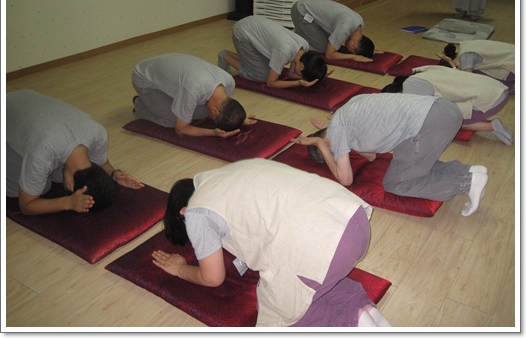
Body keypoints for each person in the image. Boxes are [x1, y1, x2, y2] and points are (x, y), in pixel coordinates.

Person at [152, 158, 391, 327]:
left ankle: (351, 324)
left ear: (183, 212)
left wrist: (180, 269)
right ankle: (365, 312)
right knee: (310, 283)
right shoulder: (231, 172)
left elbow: (213, 278)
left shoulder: (196, 211)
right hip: (355, 220)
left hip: (326, 248)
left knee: (276, 310)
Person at [291, 93, 488, 217]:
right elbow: (371, 156)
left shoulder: (335, 131)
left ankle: (466, 183)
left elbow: (346, 180)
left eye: (333, 154)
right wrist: (334, 142)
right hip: (445, 110)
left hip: (429, 123)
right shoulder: (343, 118)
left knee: (395, 183)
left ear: (327, 144)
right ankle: (467, 171)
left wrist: (320, 144)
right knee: (409, 160)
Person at [6, 89, 144, 215]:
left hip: (23, 96)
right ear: (70, 185)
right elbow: (26, 206)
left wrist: (114, 174)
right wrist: (67, 203)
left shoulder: (98, 133)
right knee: (39, 188)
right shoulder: (43, 152)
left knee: (49, 176)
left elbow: (103, 164)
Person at [381, 65, 513, 145]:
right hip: (498, 89)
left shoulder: (411, 87)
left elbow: (420, 116)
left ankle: (491, 126)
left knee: (450, 120)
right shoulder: (421, 73)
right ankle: (487, 122)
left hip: (491, 99)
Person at [132, 53, 255, 138]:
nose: (211, 119)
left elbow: (227, 107)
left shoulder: (229, 82)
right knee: (173, 121)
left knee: (199, 113)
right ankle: (140, 104)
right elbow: (181, 129)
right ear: (215, 110)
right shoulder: (194, 90)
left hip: (171, 71)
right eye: (214, 118)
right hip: (145, 80)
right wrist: (212, 132)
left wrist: (239, 118)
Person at [217, 15, 328, 89]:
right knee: (262, 75)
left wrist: (317, 76)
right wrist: (298, 82)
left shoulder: (304, 47)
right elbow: (270, 83)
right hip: (242, 33)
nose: (301, 77)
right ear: (301, 66)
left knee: (268, 66)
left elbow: (291, 74)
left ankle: (243, 58)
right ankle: (225, 56)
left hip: (253, 23)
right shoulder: (284, 52)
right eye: (302, 75)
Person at [291, 0, 380, 62]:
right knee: (323, 48)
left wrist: (368, 50)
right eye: (352, 52)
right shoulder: (345, 27)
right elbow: (329, 55)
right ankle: (292, 37)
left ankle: (302, 32)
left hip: (308, 8)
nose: (349, 51)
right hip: (301, 12)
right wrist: (353, 57)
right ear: (354, 45)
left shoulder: (360, 24)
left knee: (329, 43)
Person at [436, 40, 515, 94]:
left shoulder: (465, 57)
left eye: (457, 67)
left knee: (474, 76)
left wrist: (452, 65)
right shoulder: (465, 46)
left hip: (512, 65)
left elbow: (468, 81)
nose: (458, 69)